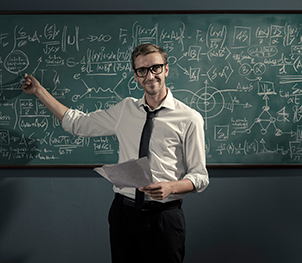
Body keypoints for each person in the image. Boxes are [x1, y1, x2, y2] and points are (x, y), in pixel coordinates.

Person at [22, 43, 209, 263]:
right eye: (142, 70)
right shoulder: (125, 110)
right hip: (124, 213)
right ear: (135, 76)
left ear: (166, 69)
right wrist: (39, 92)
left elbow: (200, 176)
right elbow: (79, 124)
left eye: (156, 68)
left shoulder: (190, 118)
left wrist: (171, 187)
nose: (150, 76)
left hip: (165, 217)